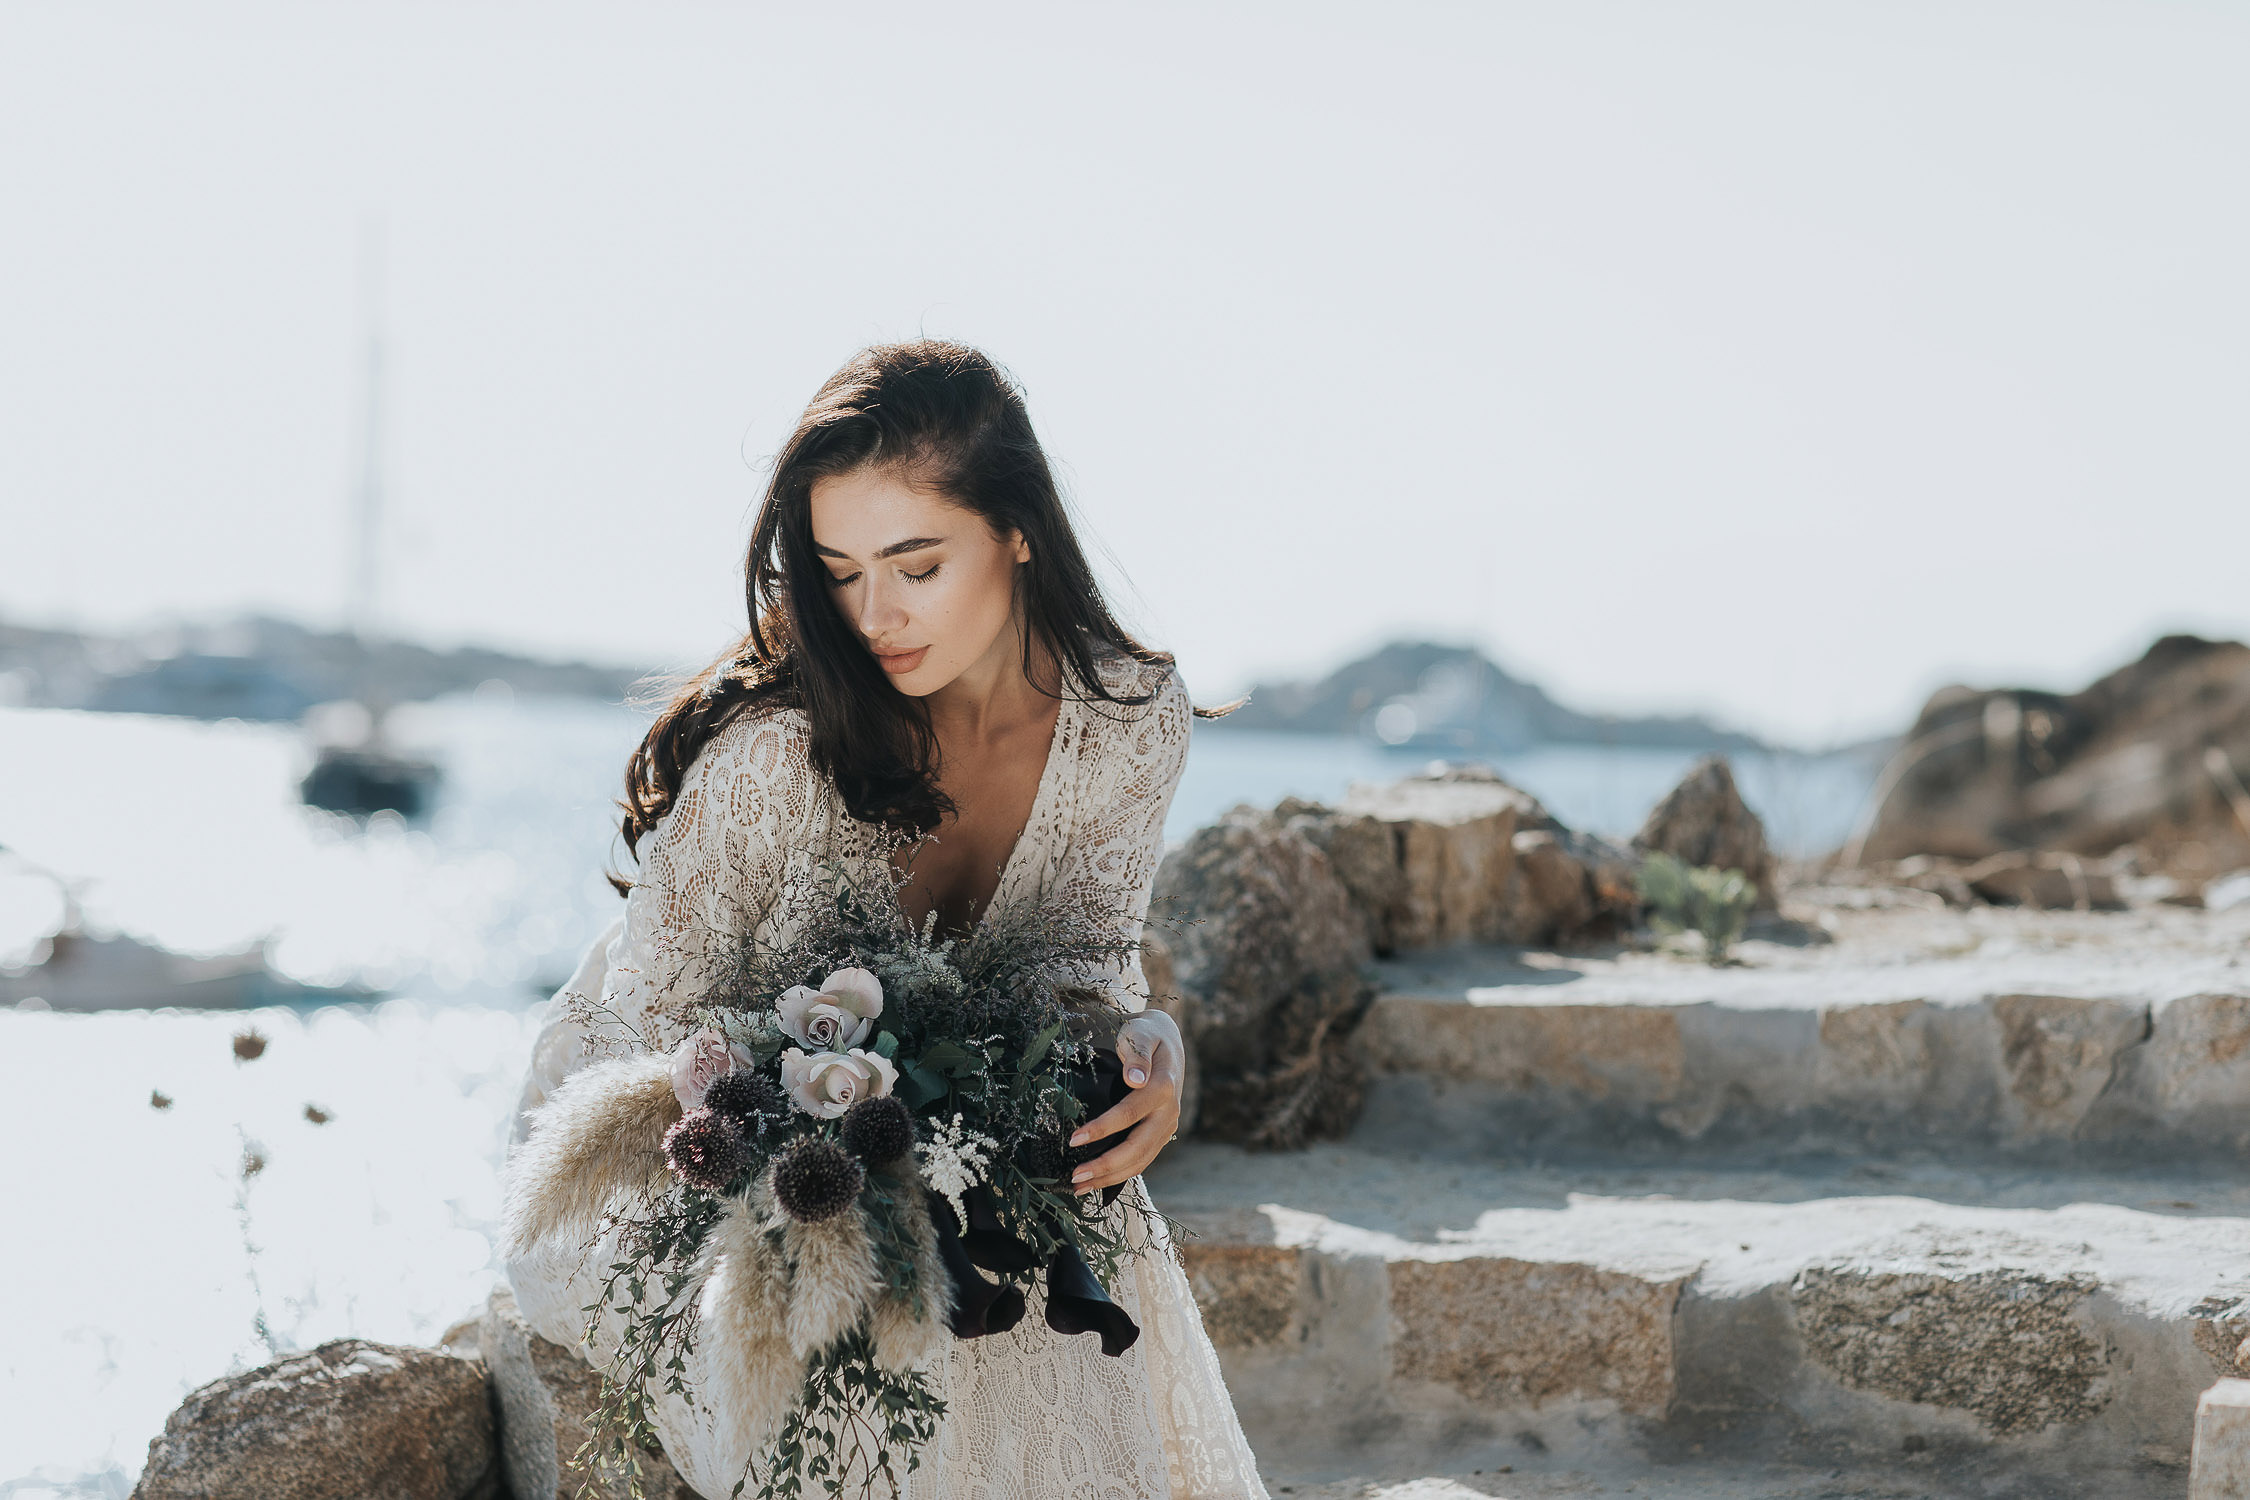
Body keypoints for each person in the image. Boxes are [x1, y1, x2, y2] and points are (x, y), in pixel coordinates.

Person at [504, 340, 1270, 1499]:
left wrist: (1143, 1046)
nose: (875, 614)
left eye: (916, 564)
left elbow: (1082, 958)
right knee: (878, 1323)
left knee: (1083, 1250)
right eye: (840, 569)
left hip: (928, 1126)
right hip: (687, 1136)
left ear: (1019, 531)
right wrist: (814, 1142)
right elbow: (656, 1034)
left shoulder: (1130, 715)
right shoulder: (773, 758)